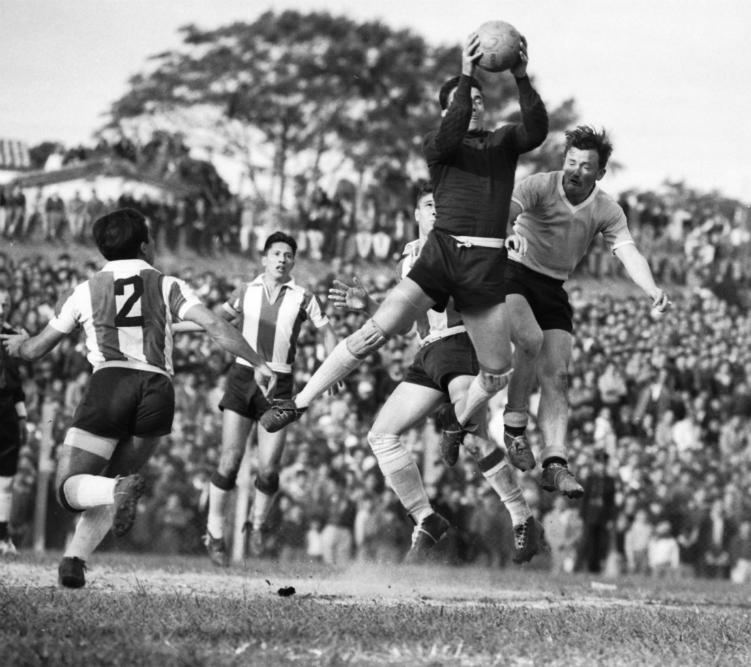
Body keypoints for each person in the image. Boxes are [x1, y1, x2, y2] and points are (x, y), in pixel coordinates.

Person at [260, 29, 548, 539]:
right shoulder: (438, 147)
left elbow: (538, 131)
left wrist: (520, 76)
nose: (475, 105)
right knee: (376, 330)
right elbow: (454, 123)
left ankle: (480, 460)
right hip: (442, 262)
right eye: (467, 101)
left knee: (497, 376)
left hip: (478, 269)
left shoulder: (503, 142)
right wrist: (466, 74)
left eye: (481, 99)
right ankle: (298, 402)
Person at [1, 208, 275, 588]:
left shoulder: (85, 290)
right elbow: (213, 325)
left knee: (68, 488)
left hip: (110, 385)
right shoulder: (166, 284)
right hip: (158, 391)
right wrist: (258, 362)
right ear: (145, 246)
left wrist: (17, 345)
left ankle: (112, 498)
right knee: (115, 478)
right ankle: (73, 561)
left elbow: (35, 351)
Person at [327, 184, 541, 563]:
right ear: (416, 215)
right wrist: (370, 308)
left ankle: (522, 518)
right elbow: (410, 322)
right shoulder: (408, 256)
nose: (436, 213)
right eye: (429, 206)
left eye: (441, 207)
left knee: (474, 439)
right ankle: (426, 518)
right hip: (427, 353)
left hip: (461, 344)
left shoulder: (461, 246)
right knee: (380, 436)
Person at [502, 126, 670, 497]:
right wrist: (505, 232)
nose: (576, 171)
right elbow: (506, 211)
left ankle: (555, 463)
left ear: (601, 173)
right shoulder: (540, 185)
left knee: (558, 376)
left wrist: (651, 287)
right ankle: (514, 427)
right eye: (572, 161)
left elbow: (627, 251)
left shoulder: (606, 209)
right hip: (514, 273)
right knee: (529, 340)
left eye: (586, 166)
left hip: (553, 287)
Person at [175, 232, 337, 566]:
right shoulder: (244, 292)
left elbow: (327, 331)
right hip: (243, 376)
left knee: (269, 468)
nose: (281, 259)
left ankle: (258, 523)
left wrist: (333, 367)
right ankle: (215, 532)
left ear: (294, 262)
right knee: (230, 460)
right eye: (276, 253)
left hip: (279, 384)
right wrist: (172, 328)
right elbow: (213, 323)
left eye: (288, 255)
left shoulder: (303, 297)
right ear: (263, 259)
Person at [0, 287, 29, 554]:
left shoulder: (12, 336)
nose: (1, 310)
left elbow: (15, 384)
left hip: (6, 412)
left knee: (6, 478)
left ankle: (2, 536)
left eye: (5, 305)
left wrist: (22, 417)